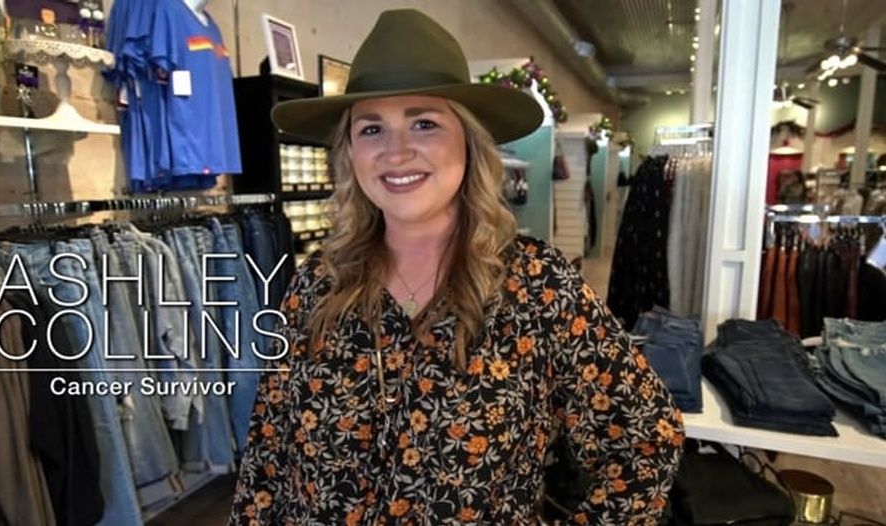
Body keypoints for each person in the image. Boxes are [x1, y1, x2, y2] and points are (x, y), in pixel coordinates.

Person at [229, 8, 684, 525]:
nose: (396, 152)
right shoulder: (315, 285)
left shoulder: (537, 286)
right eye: (371, 129)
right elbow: (268, 454)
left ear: (468, 143)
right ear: (349, 152)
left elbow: (644, 438)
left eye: (424, 123)